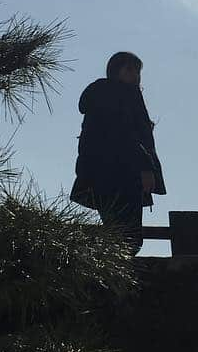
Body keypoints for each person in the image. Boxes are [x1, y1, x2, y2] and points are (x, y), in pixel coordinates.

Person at [69, 51, 166, 256]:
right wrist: (146, 167)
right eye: (129, 69)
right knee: (127, 237)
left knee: (119, 234)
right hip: (121, 175)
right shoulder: (118, 96)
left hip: (105, 174)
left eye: (137, 71)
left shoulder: (105, 97)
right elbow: (125, 137)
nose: (135, 75)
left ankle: (106, 273)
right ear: (116, 71)